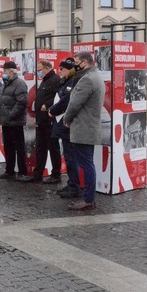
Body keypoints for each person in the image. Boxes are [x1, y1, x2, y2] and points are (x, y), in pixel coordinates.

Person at [63, 51, 105, 211]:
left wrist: (66, 119)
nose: (75, 65)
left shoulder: (87, 79)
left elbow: (74, 103)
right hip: (89, 127)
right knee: (87, 162)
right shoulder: (96, 77)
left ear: (85, 62)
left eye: (76, 62)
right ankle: (88, 197)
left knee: (86, 163)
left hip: (83, 127)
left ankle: (88, 199)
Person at [49, 58, 82, 199]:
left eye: (62, 69)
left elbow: (66, 101)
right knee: (68, 156)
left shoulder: (72, 82)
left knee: (71, 157)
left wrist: (52, 110)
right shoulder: (65, 82)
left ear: (69, 69)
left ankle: (74, 186)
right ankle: (71, 183)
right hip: (61, 123)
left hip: (67, 124)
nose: (59, 71)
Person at [27, 59, 63, 183]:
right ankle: (37, 174)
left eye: (39, 70)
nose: (38, 73)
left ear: (47, 68)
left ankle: (56, 175)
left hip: (50, 120)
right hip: (41, 121)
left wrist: (47, 105)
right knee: (40, 148)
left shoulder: (56, 80)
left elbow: (59, 97)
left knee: (53, 148)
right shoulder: (44, 81)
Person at [0, 61, 28, 180]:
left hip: (15, 121)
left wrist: (10, 115)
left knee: (19, 147)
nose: (3, 72)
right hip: (6, 121)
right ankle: (9, 171)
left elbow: (22, 102)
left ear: (11, 71)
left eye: (4, 70)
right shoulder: (5, 84)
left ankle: (22, 172)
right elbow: (1, 102)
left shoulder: (19, 84)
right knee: (8, 147)